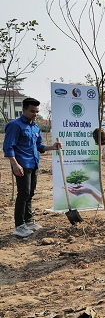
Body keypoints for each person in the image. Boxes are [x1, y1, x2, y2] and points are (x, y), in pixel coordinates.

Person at [3, 98, 62, 237]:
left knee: (30, 193)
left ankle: (28, 221)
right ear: (23, 110)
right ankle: (19, 226)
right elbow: (8, 147)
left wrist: (52, 147)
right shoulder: (15, 125)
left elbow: (39, 146)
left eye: (36, 112)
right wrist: (15, 164)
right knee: (23, 194)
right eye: (32, 111)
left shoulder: (35, 126)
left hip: (34, 163)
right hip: (22, 164)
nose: (35, 114)